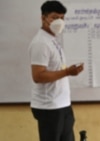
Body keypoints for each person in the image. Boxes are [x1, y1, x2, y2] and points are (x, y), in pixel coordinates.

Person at [28, 1, 83, 141]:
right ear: (43, 17)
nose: (59, 21)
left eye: (61, 18)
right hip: (49, 107)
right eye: (54, 17)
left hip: (62, 103)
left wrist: (70, 71)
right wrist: (67, 72)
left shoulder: (52, 40)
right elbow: (38, 76)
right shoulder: (41, 43)